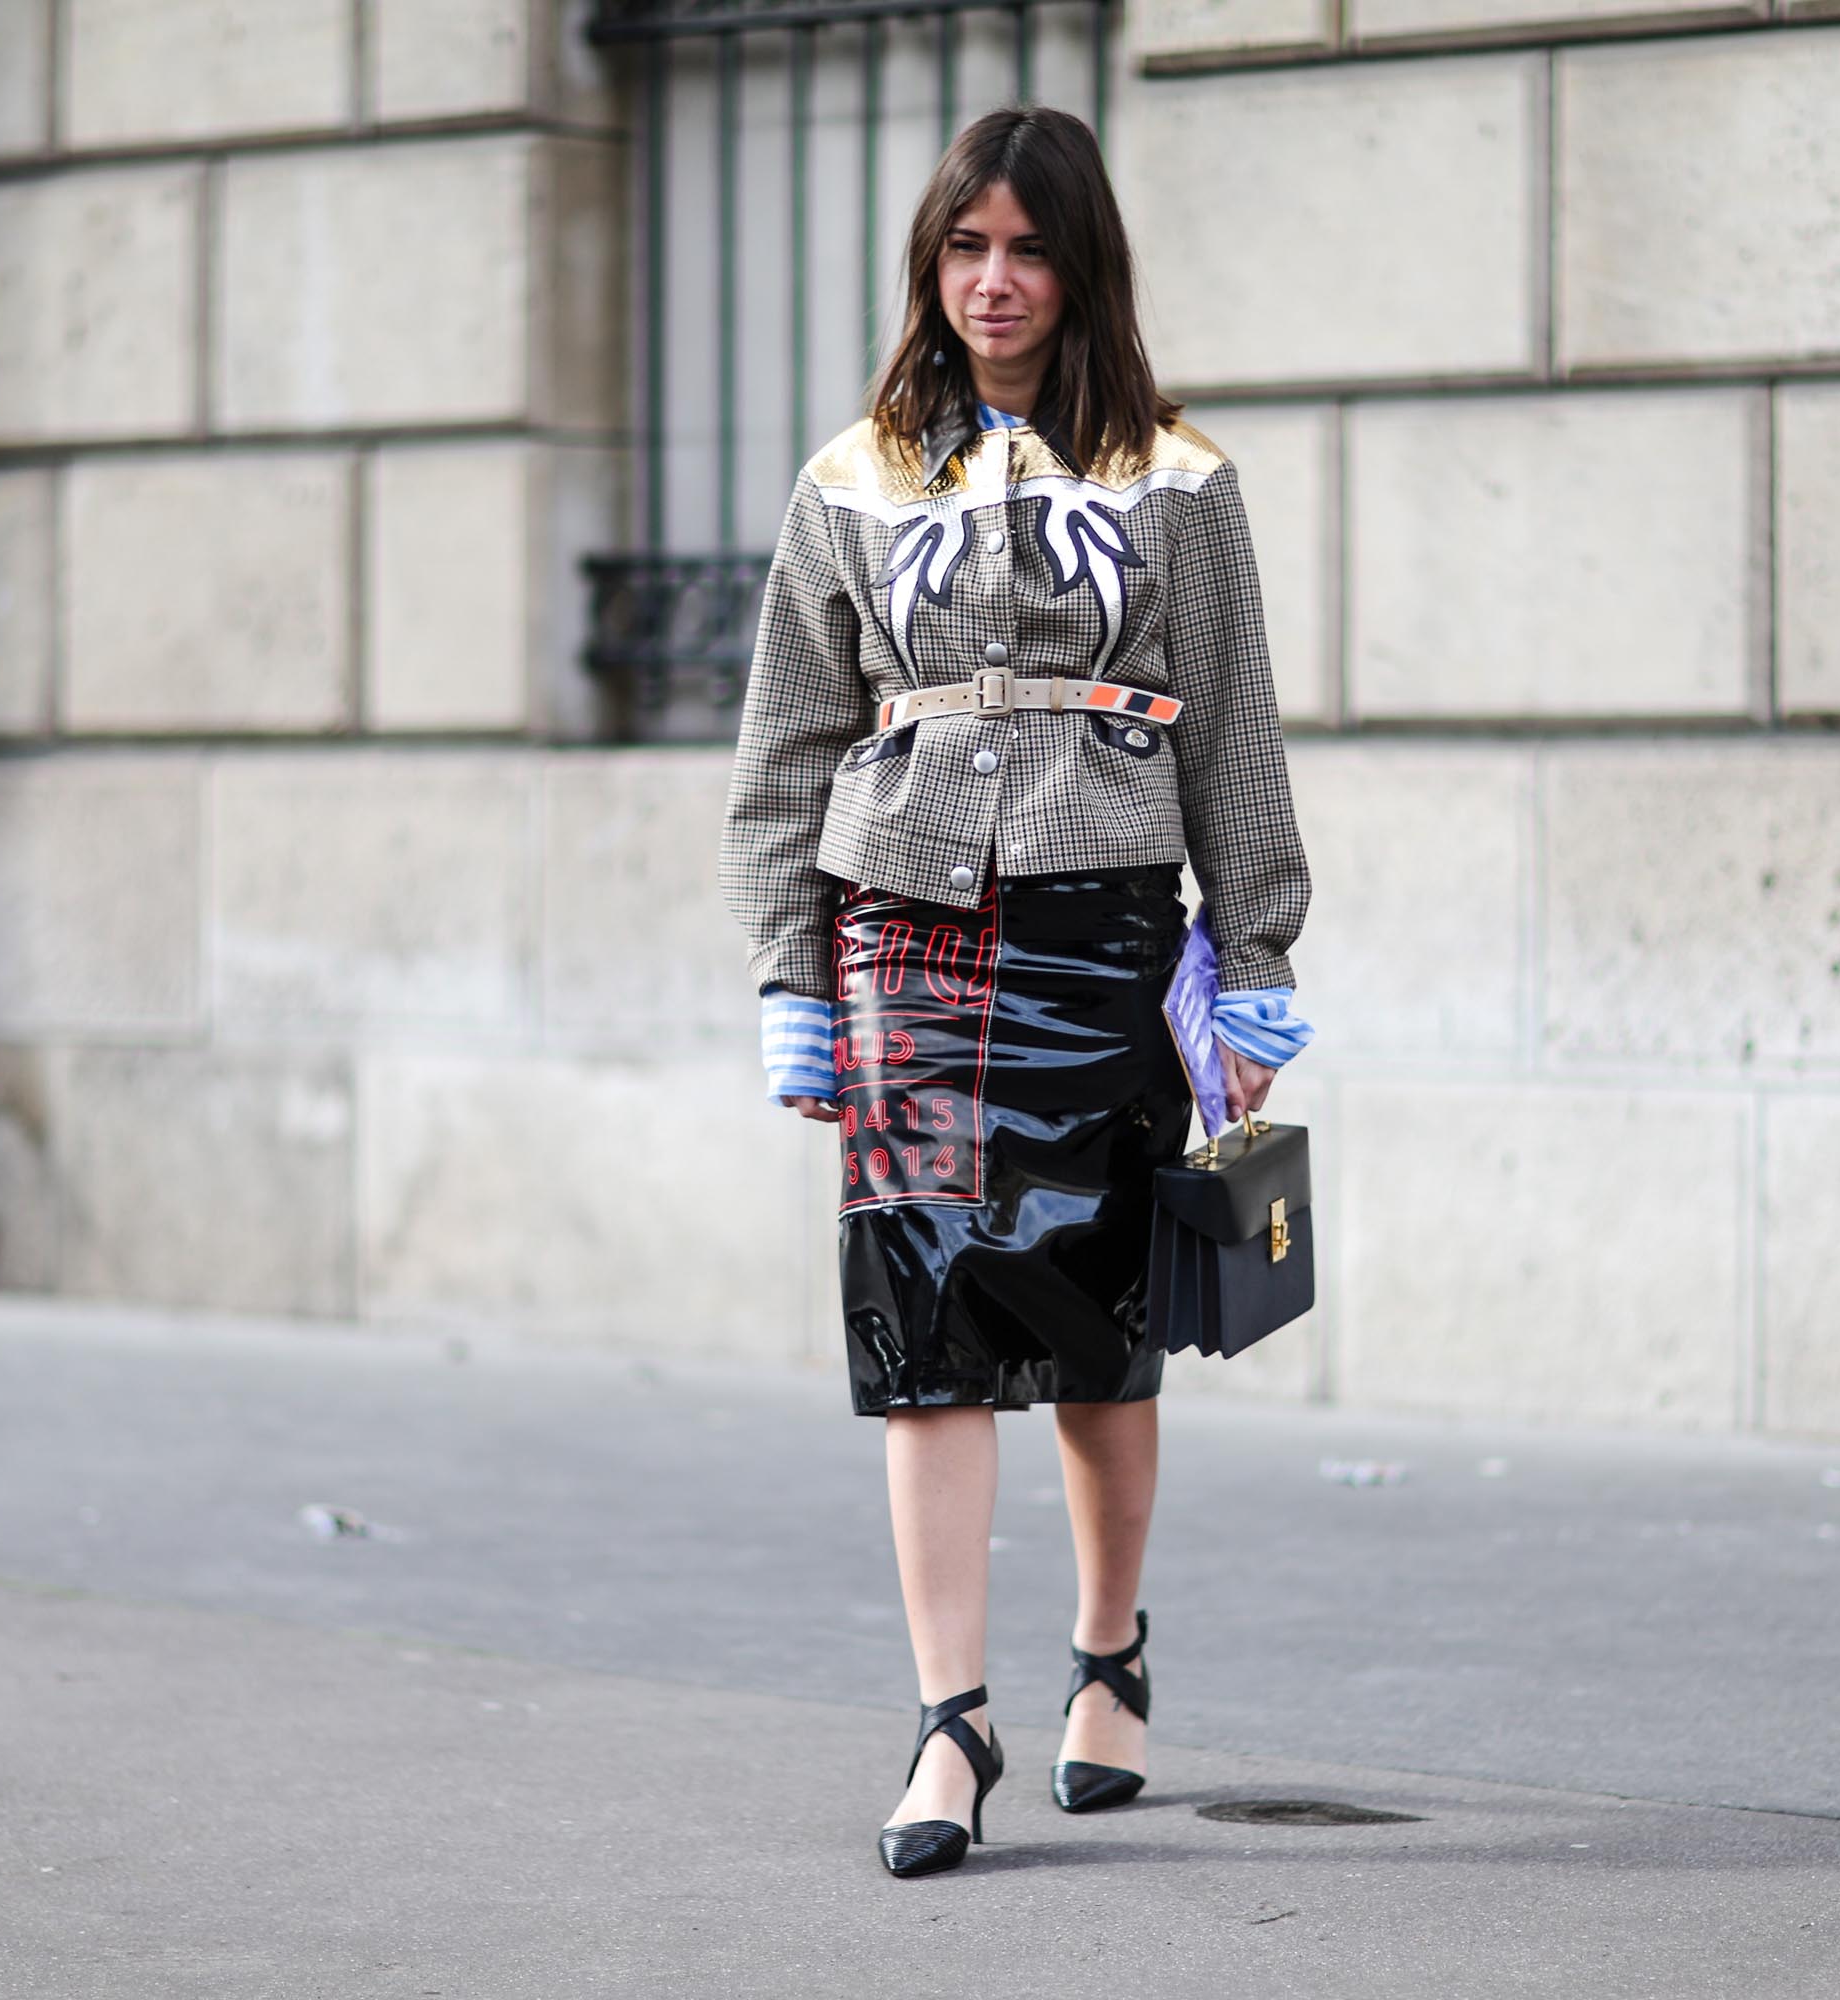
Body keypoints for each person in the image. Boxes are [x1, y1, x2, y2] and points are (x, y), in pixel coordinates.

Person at [717, 103, 1313, 1879]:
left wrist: (1256, 952)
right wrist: (790, 972)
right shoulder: (852, 479)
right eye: (966, 247)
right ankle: (949, 1723)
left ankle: (1109, 1660)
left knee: (1094, 1321)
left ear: (1079, 267)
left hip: (1100, 922)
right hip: (901, 921)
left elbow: (1241, 727)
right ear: (933, 263)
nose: (995, 281)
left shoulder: (1178, 478)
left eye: (1028, 247)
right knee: (922, 1325)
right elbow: (782, 750)